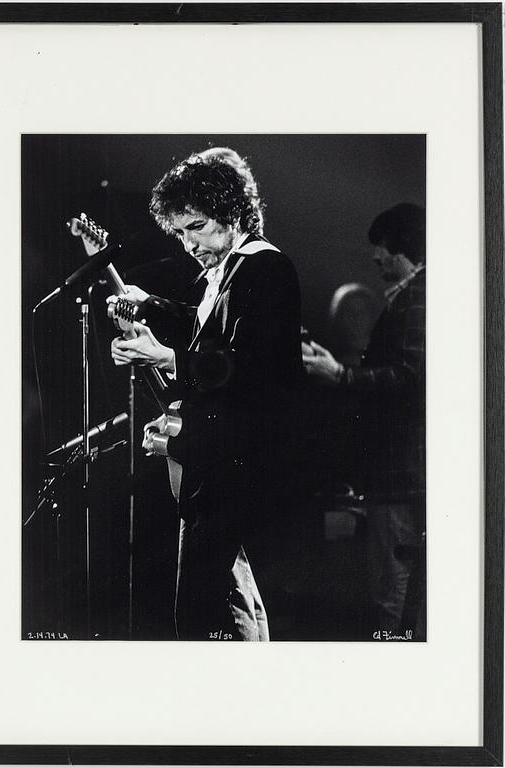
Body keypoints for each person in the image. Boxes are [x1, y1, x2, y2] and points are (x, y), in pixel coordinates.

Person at [109, 148, 302, 640]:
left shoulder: (265, 269)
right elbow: (207, 333)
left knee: (206, 605)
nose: (188, 243)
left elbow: (258, 370)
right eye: (180, 232)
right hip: (213, 460)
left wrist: (168, 359)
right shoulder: (224, 271)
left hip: (236, 461)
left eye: (196, 227)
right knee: (227, 595)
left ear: (232, 212)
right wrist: (148, 304)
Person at [302, 203, 426, 636]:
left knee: (391, 596)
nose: (375, 258)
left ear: (400, 248)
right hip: (401, 472)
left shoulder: (416, 297)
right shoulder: (417, 296)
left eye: (381, 247)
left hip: (399, 473)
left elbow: (413, 378)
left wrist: (339, 376)